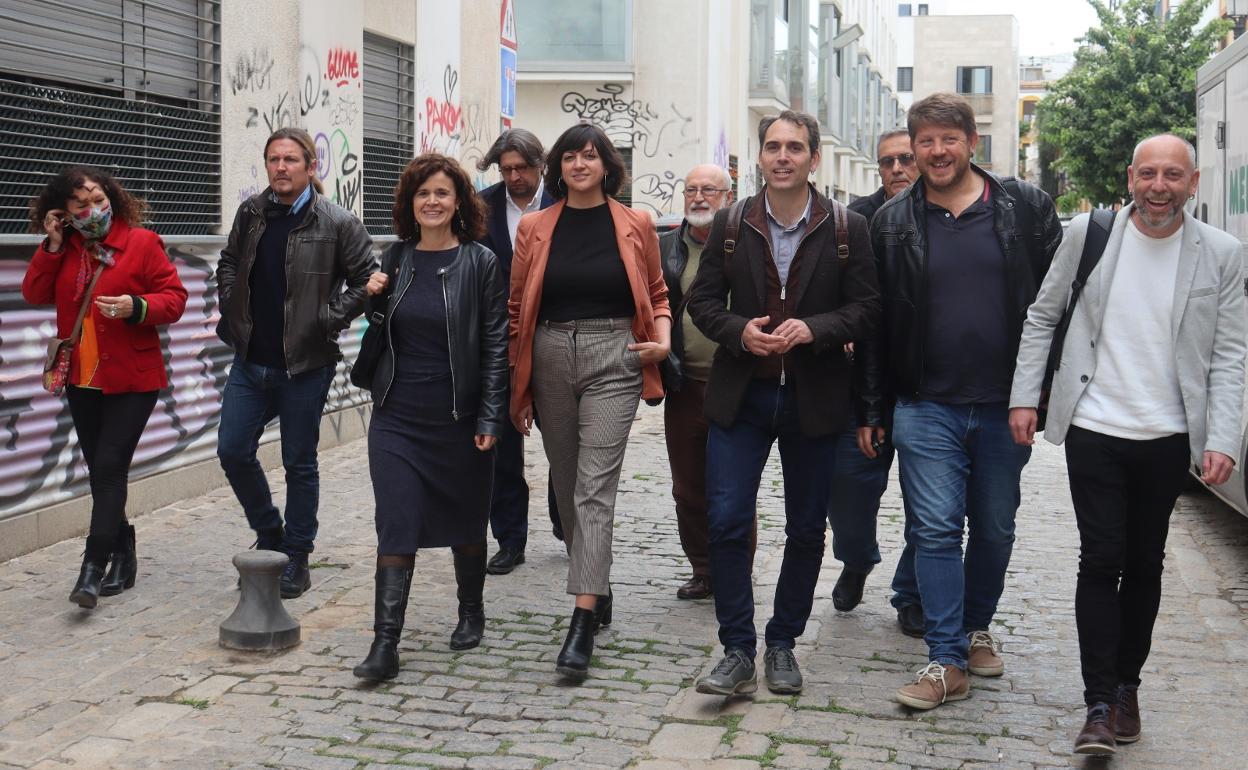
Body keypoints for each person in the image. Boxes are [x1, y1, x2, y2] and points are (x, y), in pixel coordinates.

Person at [1009, 134, 1245, 755]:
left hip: (1168, 438)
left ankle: (1127, 686)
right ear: (1131, 177)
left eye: (1173, 175)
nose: (1159, 187)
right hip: (1095, 428)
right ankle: (1097, 704)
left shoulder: (1221, 254)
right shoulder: (1090, 235)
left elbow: (1229, 354)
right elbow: (1042, 316)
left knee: (1144, 564)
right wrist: (1024, 397)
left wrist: (1223, 437)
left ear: (1193, 184)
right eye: (1148, 174)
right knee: (1100, 559)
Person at [859, 93, 1062, 710]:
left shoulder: (1024, 208)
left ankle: (976, 629)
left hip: (1007, 406)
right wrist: (872, 408)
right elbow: (875, 325)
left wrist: (1044, 388)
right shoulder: (891, 223)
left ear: (972, 142)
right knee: (936, 529)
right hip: (925, 406)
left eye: (949, 139)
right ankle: (946, 658)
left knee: (995, 528)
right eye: (926, 141)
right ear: (913, 148)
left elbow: (1059, 306)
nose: (937, 151)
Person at [687, 110, 880, 696]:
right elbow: (702, 302)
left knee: (804, 528)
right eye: (773, 146)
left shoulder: (846, 226)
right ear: (761, 156)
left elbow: (868, 309)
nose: (783, 156)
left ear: (813, 158)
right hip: (741, 396)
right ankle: (737, 648)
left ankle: (783, 643)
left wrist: (814, 329)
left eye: (795, 147)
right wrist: (741, 330)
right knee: (726, 520)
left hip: (815, 399)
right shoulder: (730, 221)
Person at [509, 123, 672, 680]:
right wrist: (520, 382)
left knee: (594, 489)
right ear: (558, 166)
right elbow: (516, 309)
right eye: (571, 156)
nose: (580, 164)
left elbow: (655, 292)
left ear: (607, 164)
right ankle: (595, 583)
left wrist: (664, 337)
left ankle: (580, 620)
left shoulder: (636, 223)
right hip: (550, 351)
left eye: (591, 155)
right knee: (565, 482)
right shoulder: (534, 226)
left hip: (615, 354)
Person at [352, 153, 508, 680]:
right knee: (396, 521)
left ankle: (471, 609)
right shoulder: (394, 259)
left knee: (466, 522)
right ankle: (385, 645)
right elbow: (377, 327)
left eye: (442, 193)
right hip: (397, 415)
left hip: (459, 416)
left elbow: (493, 344)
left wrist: (490, 417)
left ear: (459, 202)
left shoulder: (480, 263)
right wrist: (369, 297)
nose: (433, 202)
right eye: (423, 194)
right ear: (410, 204)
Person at [215, 127, 375, 599]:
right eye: (273, 159)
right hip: (250, 362)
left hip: (305, 364)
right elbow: (228, 261)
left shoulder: (338, 222)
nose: (281, 167)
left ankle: (298, 555)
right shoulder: (252, 212)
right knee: (232, 450)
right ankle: (270, 533)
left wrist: (327, 318)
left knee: (298, 461)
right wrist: (231, 300)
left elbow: (369, 281)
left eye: (290, 159)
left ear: (310, 166)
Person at [22, 166, 187, 608]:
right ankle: (125, 547)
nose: (92, 209)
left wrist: (137, 306)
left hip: (133, 378)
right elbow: (34, 293)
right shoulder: (67, 249)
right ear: (63, 213)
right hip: (81, 378)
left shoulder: (141, 243)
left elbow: (175, 299)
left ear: (111, 196)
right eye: (80, 205)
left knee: (110, 465)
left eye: (97, 199)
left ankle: (93, 565)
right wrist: (53, 245)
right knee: (100, 469)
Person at [833, 129, 923, 634]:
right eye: (888, 161)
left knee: (926, 500)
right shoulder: (853, 221)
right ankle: (857, 557)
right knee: (847, 491)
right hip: (857, 385)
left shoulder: (939, 219)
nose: (897, 169)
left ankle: (910, 592)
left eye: (905, 159)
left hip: (921, 387)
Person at [659, 163, 758, 601]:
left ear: (729, 196)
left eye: (709, 190)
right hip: (684, 387)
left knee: (733, 488)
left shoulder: (749, 243)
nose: (699, 198)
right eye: (691, 189)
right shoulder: (665, 248)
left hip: (737, 386)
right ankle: (703, 569)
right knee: (688, 489)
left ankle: (734, 569)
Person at [475, 129, 559, 574]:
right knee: (501, 447)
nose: (514, 177)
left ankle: (565, 517)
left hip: (553, 340)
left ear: (540, 164)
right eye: (506, 169)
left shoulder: (564, 201)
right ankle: (510, 539)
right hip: (498, 343)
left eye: (522, 168)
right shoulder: (482, 207)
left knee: (564, 441)